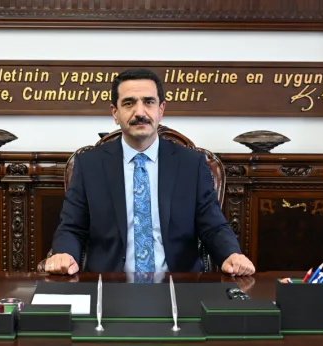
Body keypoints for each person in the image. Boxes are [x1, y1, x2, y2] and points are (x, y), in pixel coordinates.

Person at [44, 68, 255, 276]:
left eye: (148, 102)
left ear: (161, 110)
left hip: (178, 284)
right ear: (115, 113)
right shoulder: (89, 165)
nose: (140, 112)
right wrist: (64, 254)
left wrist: (231, 255)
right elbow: (72, 227)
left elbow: (213, 226)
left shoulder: (191, 164)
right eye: (129, 103)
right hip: (109, 284)